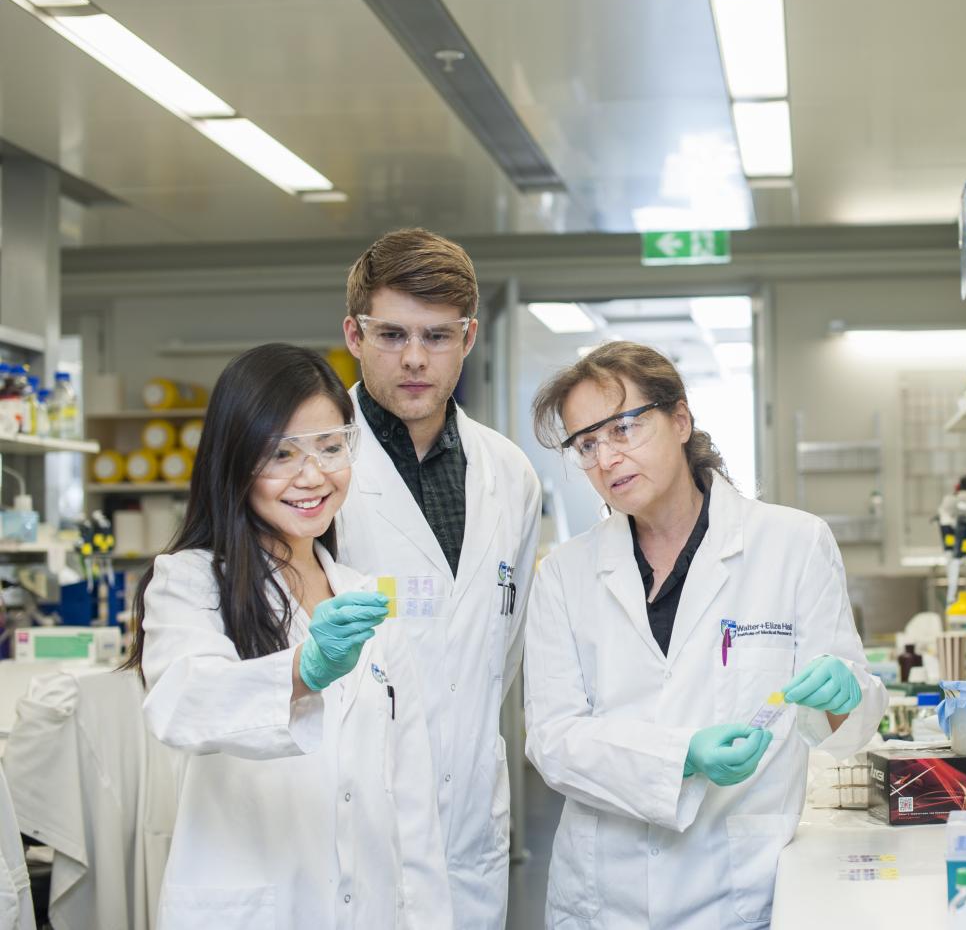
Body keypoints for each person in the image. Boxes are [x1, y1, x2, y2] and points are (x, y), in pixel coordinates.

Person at [524, 340, 887, 927]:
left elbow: (843, 734)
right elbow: (551, 740)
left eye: (623, 428)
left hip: (738, 888)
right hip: (603, 895)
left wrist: (846, 695)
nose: (607, 458)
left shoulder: (793, 544)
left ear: (680, 419)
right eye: (585, 445)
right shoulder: (565, 574)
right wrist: (680, 757)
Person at [125, 344, 450, 929]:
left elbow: (412, 801)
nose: (313, 476)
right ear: (234, 461)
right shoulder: (192, 581)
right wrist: (304, 670)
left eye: (331, 447)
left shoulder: (363, 599)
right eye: (280, 453)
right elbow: (180, 704)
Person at [334, 228, 541, 926]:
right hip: (351, 812)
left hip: (471, 819)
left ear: (470, 336)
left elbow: (498, 653)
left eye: (437, 335)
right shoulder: (314, 463)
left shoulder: (509, 472)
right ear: (354, 335)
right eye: (391, 334)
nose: (416, 359)